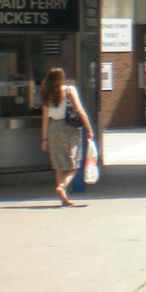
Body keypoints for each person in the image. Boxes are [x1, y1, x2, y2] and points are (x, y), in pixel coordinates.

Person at [40, 67, 95, 206]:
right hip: (69, 128)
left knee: (59, 165)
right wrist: (89, 128)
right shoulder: (69, 90)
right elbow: (80, 110)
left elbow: (45, 118)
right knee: (75, 163)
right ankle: (63, 186)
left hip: (53, 128)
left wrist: (44, 138)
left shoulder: (47, 93)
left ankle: (63, 198)